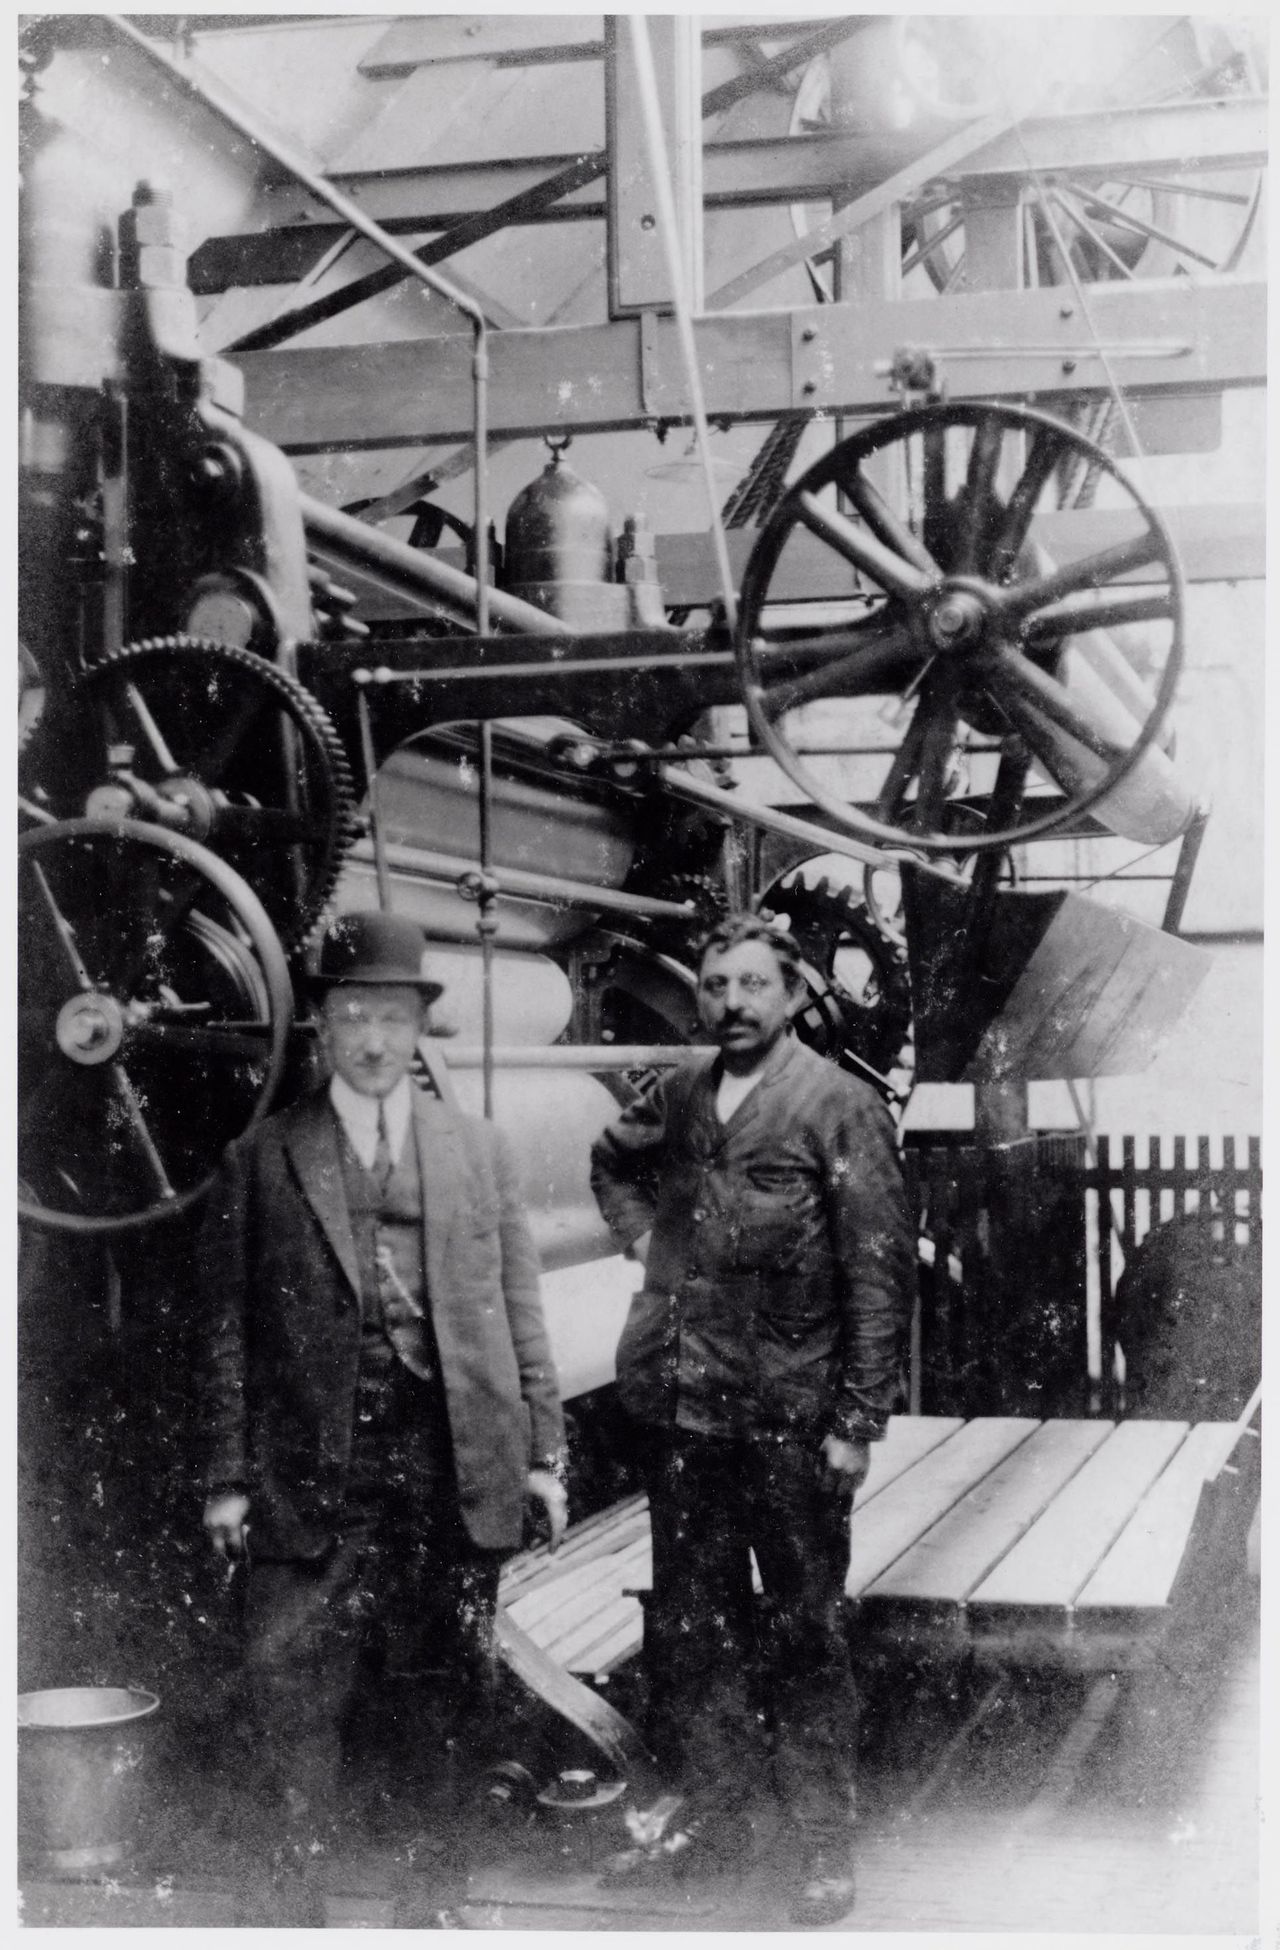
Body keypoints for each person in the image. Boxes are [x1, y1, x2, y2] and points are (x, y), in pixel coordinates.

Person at [198, 910, 567, 1851]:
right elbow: (228, 1333)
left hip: (451, 1462)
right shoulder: (261, 1157)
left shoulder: (480, 1150)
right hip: (312, 1467)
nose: (372, 1041)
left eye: (393, 1018)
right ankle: (290, 1905)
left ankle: (429, 1902)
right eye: (354, 1017)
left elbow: (522, 1312)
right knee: (289, 1688)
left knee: (445, 1687)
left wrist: (544, 1459)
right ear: (322, 1026)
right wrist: (227, 1479)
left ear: (420, 1027)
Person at [590, 913, 914, 1927]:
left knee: (805, 1632)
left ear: (792, 993)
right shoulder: (683, 1091)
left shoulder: (840, 1105)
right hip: (683, 1411)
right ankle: (719, 1818)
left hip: (790, 1421)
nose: (732, 1002)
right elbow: (612, 1160)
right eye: (716, 985)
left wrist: (856, 1419)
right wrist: (646, 1244)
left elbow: (878, 1273)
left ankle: (820, 1845)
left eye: (752, 985)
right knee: (693, 1629)